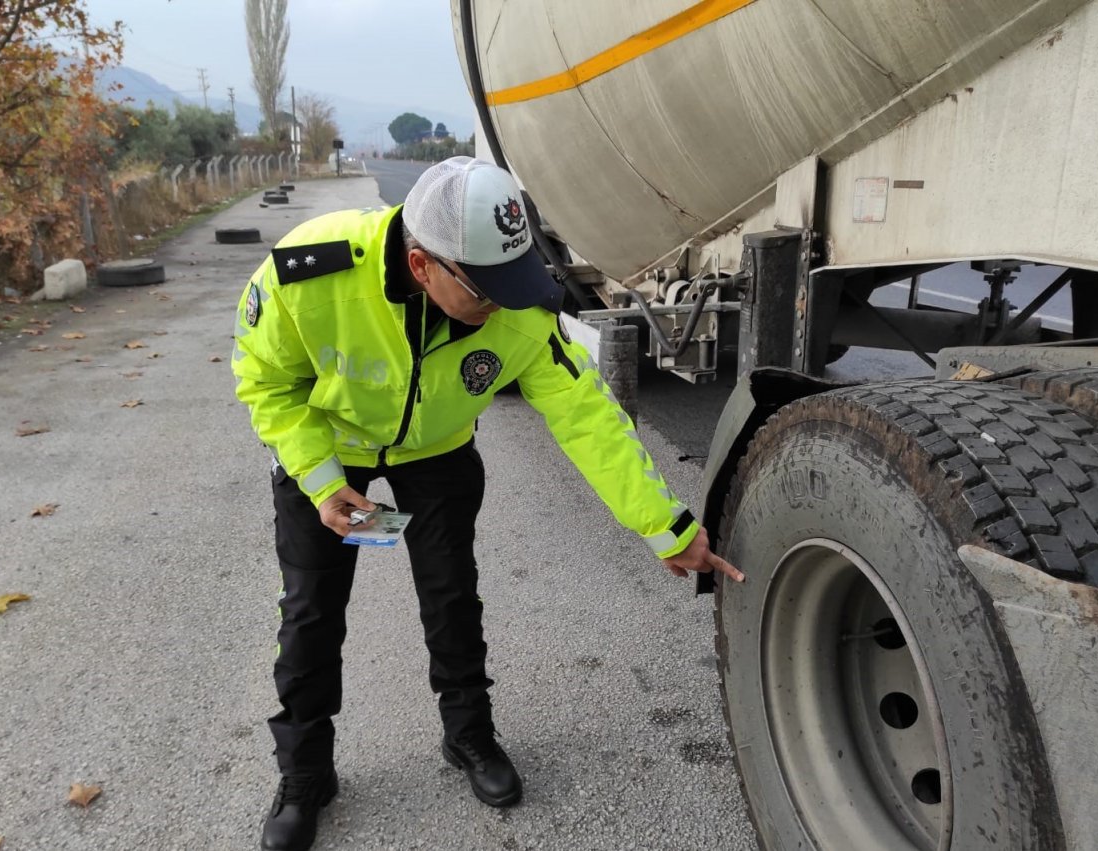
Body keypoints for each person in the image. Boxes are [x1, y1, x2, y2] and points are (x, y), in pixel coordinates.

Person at [232, 156, 743, 851]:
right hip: (328, 450)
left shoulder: (519, 310)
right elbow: (265, 381)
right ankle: (305, 772)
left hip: (435, 452)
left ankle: (468, 733)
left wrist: (667, 526)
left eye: (514, 279)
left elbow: (587, 417)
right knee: (311, 613)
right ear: (421, 265)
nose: (503, 303)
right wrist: (321, 480)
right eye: (485, 289)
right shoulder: (310, 276)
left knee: (451, 597)